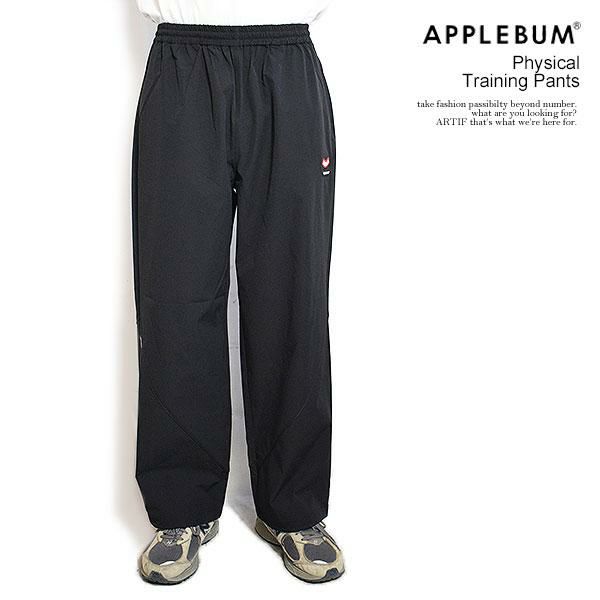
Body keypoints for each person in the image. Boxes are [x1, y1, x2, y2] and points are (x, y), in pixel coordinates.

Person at [132, 0, 343, 584]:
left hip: (287, 61)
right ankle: (182, 509)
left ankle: (292, 508)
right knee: (174, 296)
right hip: (181, 61)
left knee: (292, 296)